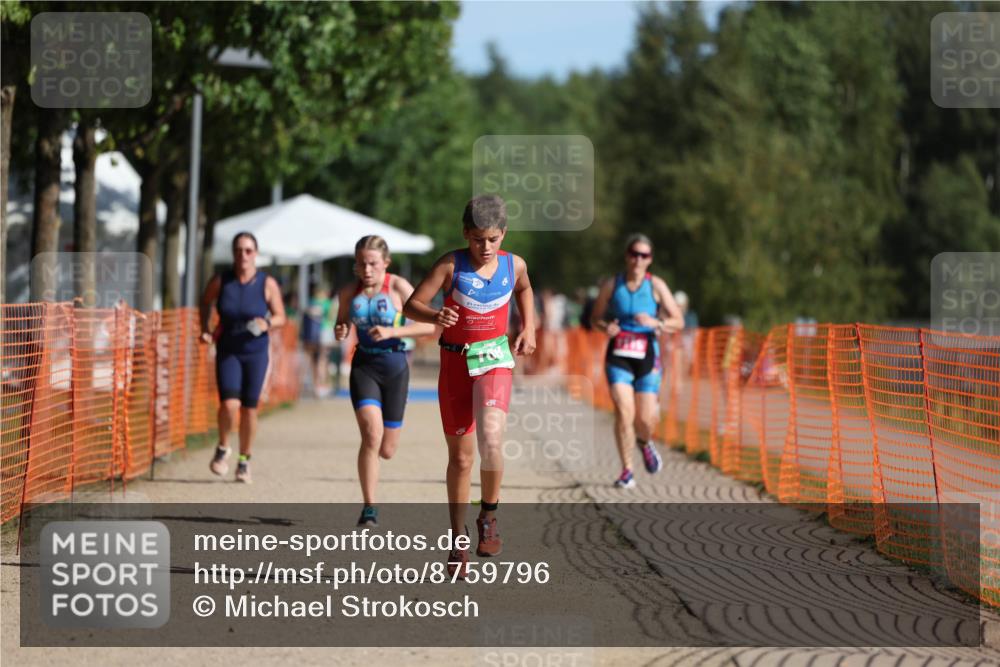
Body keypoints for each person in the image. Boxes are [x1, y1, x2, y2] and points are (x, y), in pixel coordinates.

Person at [404, 195, 536, 578]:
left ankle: (489, 516)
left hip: (494, 358)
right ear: (466, 234)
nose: (485, 247)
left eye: (493, 239)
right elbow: (412, 304)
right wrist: (435, 314)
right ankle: (457, 540)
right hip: (455, 360)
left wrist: (529, 326)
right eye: (478, 239)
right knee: (461, 459)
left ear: (503, 235)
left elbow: (525, 289)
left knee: (491, 440)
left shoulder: (515, 265)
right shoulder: (450, 265)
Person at [335, 236, 438, 527]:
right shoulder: (347, 292)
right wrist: (341, 329)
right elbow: (341, 323)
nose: (367, 269)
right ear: (356, 265)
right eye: (361, 263)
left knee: (387, 449)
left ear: (385, 263)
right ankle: (369, 507)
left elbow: (427, 325)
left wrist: (394, 333)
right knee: (371, 434)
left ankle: (377, 462)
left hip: (395, 367)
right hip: (364, 366)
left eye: (373, 263)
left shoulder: (397, 286)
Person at [590, 233, 683, 489]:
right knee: (623, 410)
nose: (638, 260)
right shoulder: (612, 284)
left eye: (644, 255)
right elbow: (595, 318)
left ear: (650, 259)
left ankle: (645, 442)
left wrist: (657, 323)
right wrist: (605, 326)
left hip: (647, 356)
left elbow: (678, 321)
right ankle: (627, 470)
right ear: (627, 256)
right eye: (634, 254)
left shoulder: (656, 286)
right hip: (618, 355)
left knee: (645, 419)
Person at [200, 232, 287, 484]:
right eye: (239, 250)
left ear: (256, 254)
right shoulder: (221, 280)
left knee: (249, 409)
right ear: (233, 254)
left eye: (248, 251)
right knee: (229, 404)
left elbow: (282, 316)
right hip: (228, 349)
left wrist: (267, 322)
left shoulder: (266, 283)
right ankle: (223, 446)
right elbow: (205, 302)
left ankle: (244, 460)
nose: (243, 255)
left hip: (256, 351)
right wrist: (205, 329)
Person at [302, 284, 334, 397]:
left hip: (314, 335)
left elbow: (308, 312)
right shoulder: (327, 303)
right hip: (324, 333)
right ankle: (320, 385)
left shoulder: (314, 302)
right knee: (322, 360)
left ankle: (316, 384)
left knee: (315, 360)